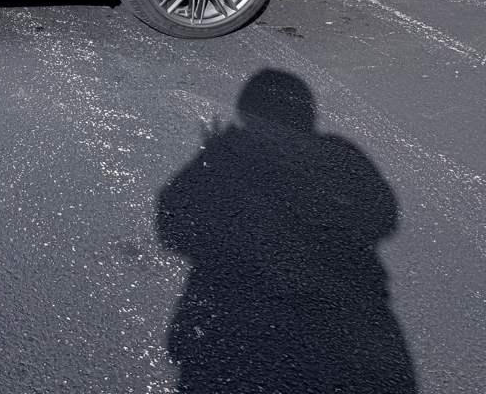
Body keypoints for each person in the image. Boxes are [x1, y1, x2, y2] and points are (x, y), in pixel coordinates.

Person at [156, 69, 416, 393]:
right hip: (339, 312)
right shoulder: (338, 152)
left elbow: (171, 226)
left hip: (245, 315)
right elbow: (383, 217)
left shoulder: (233, 151)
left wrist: (212, 155)